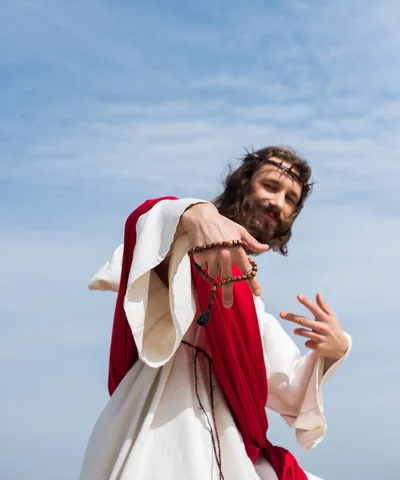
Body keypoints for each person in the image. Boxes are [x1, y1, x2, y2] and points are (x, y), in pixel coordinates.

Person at [80, 145, 351, 480]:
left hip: (227, 445)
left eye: (291, 199)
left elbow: (291, 393)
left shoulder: (254, 311)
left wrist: (334, 350)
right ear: (242, 183)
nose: (279, 203)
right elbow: (148, 241)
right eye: (271, 186)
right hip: (158, 427)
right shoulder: (181, 240)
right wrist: (195, 214)